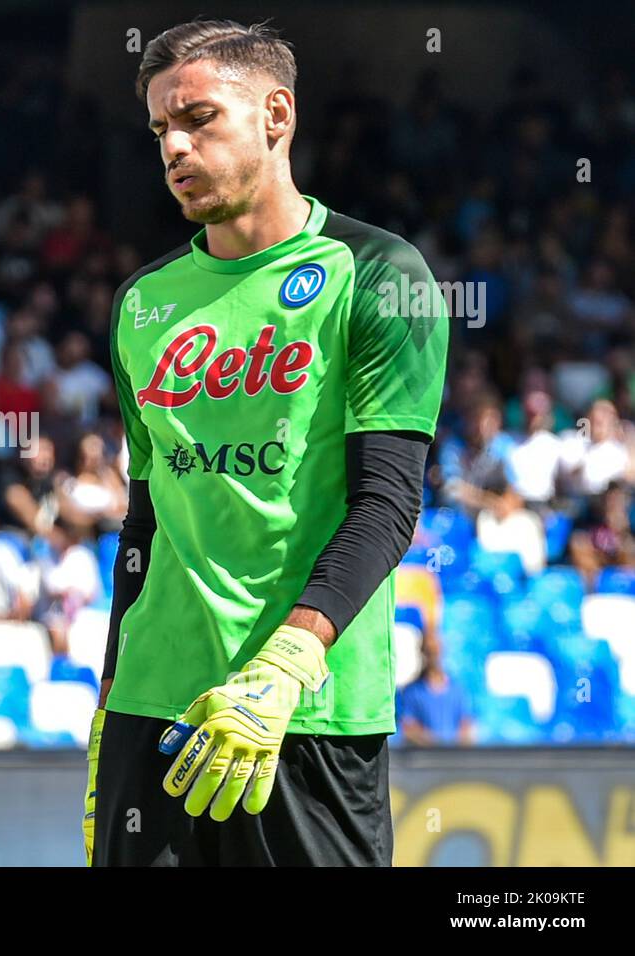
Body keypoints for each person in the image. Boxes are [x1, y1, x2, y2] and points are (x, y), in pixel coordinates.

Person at [87, 18, 448, 868]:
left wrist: (292, 657)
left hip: (303, 710)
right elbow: (144, 524)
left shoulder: (380, 274)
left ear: (276, 116)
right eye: (160, 130)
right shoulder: (143, 303)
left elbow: (388, 504)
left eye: (199, 118)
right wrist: (109, 702)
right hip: (155, 713)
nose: (174, 145)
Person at [396, 632, 475, 746]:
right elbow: (408, 728)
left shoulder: (458, 690)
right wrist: (435, 745)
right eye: (429, 651)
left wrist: (455, 748)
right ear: (422, 652)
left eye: (436, 651)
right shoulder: (411, 692)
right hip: (425, 758)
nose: (433, 656)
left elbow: (466, 725)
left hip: (454, 758)